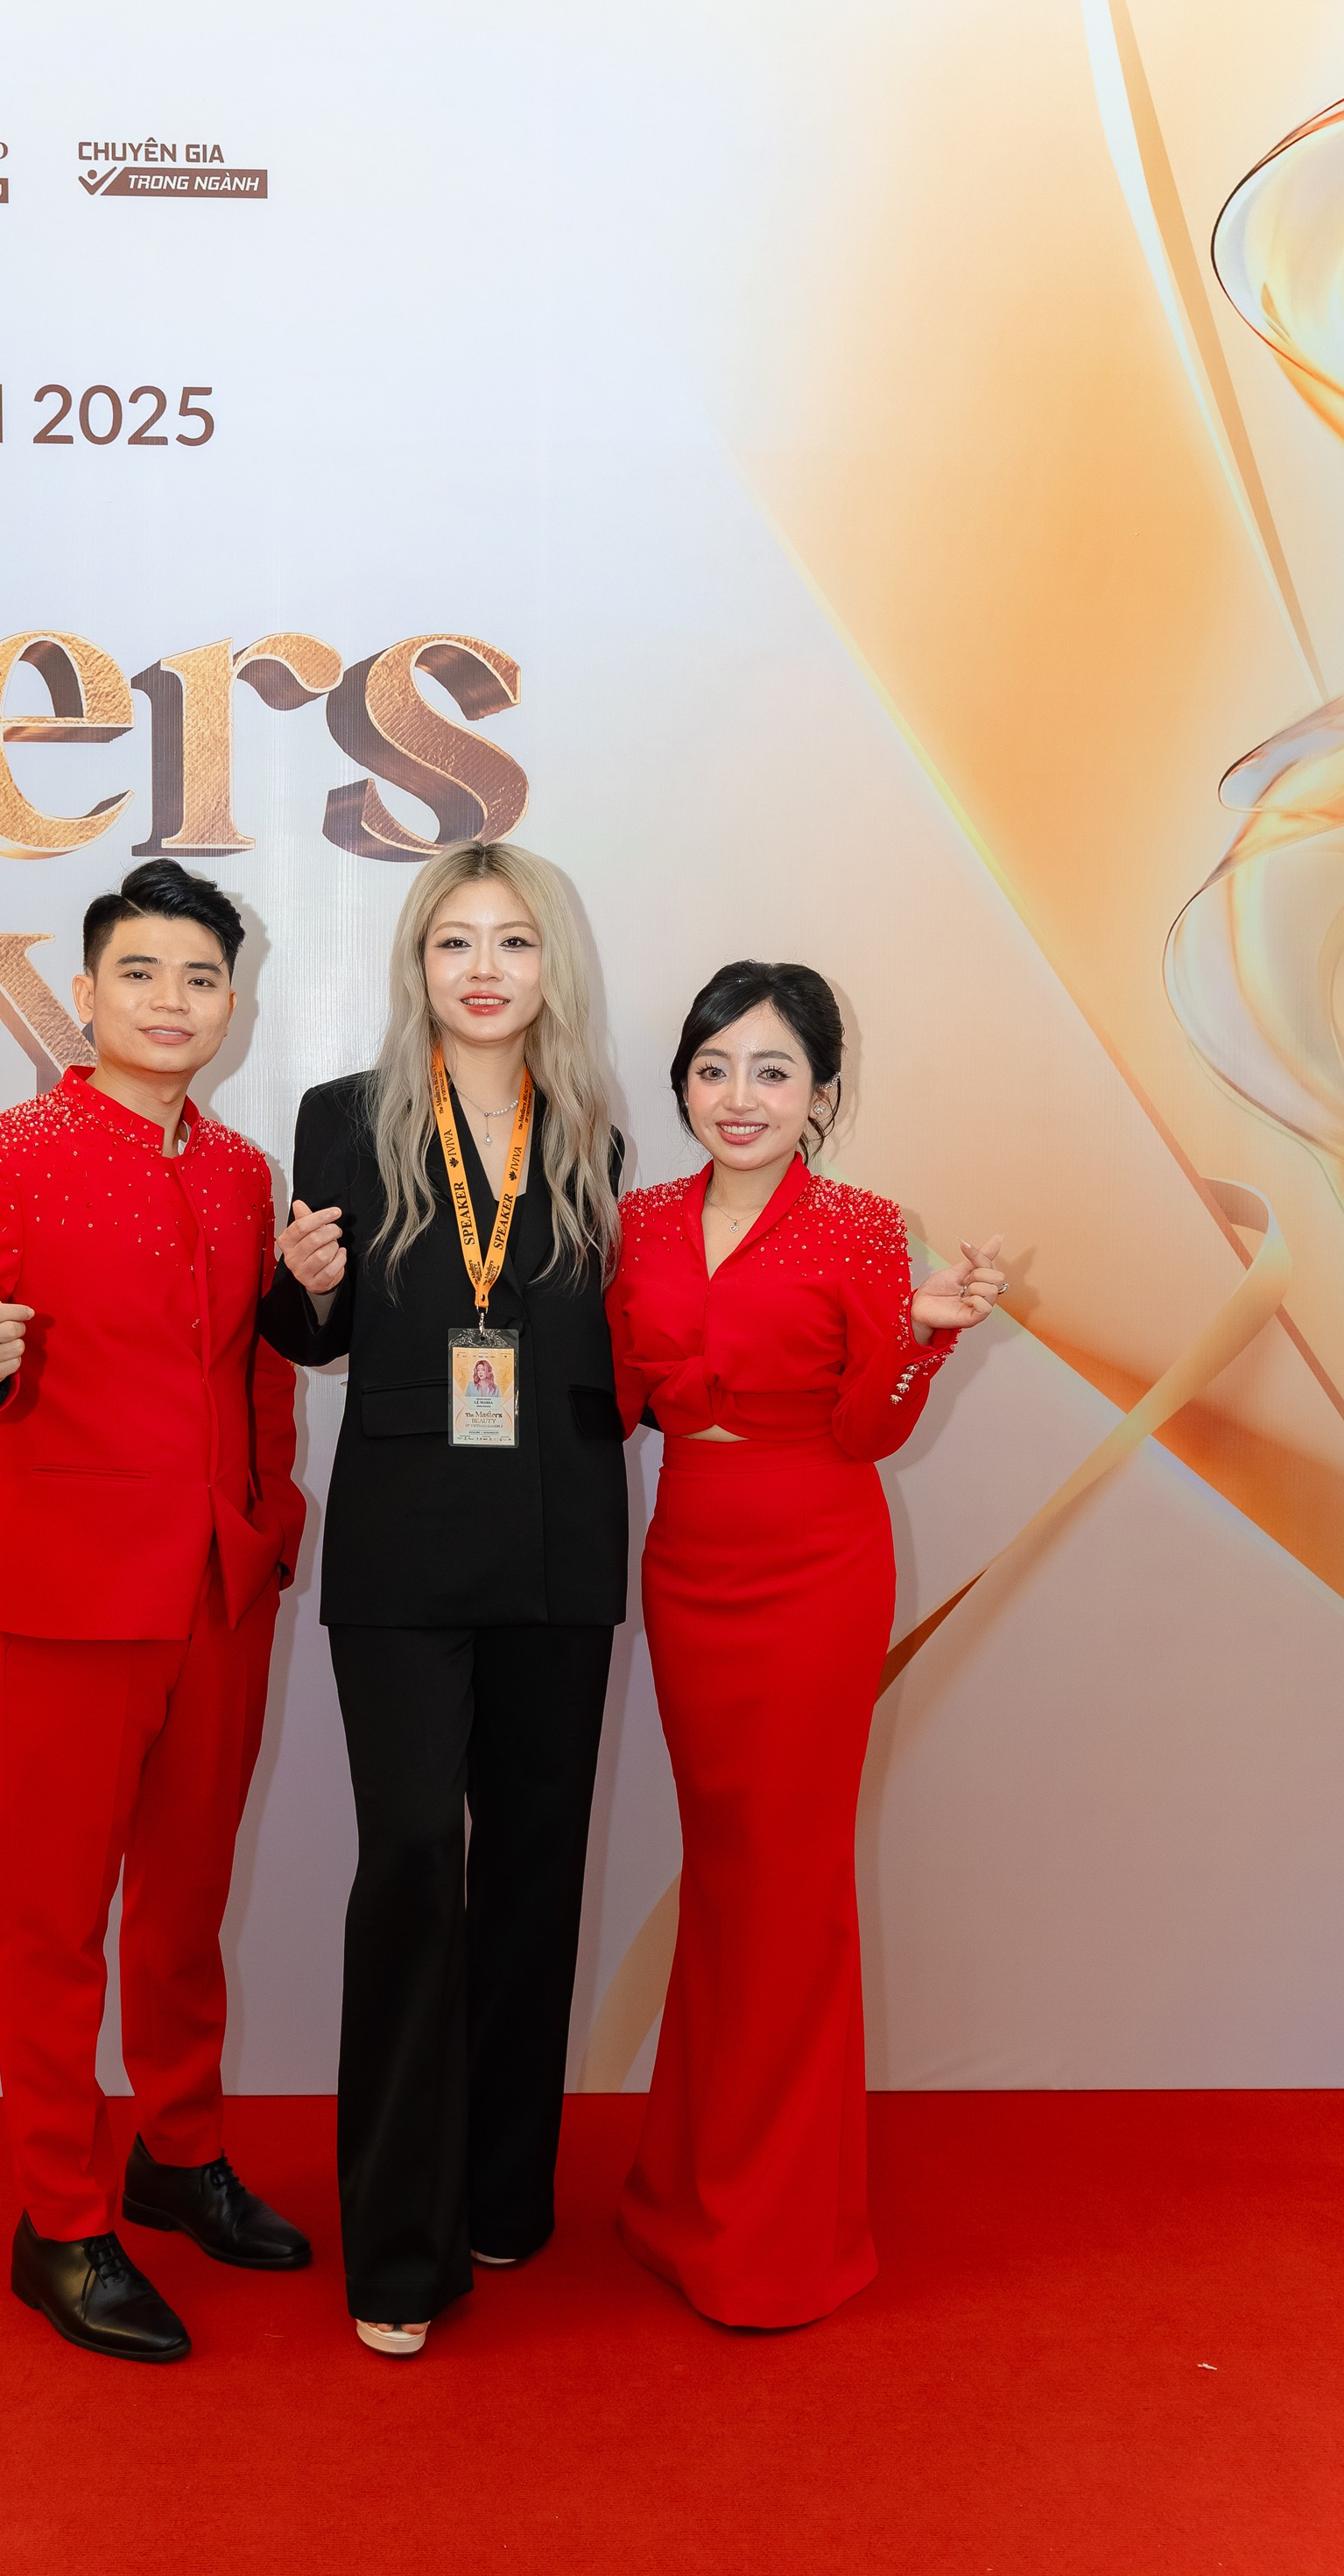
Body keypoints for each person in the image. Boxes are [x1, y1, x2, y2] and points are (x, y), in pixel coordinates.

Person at [0, 859, 310, 2365]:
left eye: (200, 978)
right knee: (55, 1920)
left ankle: (177, 2155)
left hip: (222, 1588)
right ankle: (58, 2220)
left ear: (232, 1003)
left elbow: (258, 1367)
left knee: (187, 1904)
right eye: (140, 973)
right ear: (84, 991)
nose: (171, 1002)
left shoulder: (243, 1171)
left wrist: (270, 1526)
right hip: (73, 1596)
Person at [262, 840, 626, 2356]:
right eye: (454, 941)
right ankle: (399, 2253)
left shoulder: (598, 1135)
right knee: (416, 1860)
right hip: (406, 1544)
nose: (485, 969)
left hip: (560, 1539)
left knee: (537, 1869)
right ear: (416, 963)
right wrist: (307, 1284)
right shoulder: (344, 1118)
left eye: (514, 941)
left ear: (552, 966)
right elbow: (310, 1334)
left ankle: (503, 2191)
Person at [605, 960, 1003, 2328]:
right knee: (725, 1877)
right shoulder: (637, 1223)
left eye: (773, 1071)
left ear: (821, 1093)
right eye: (714, 1068)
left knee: (790, 1885)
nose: (741, 1096)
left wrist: (924, 1339)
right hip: (689, 1561)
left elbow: (867, 1431)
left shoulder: (865, 1229)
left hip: (818, 1564)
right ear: (683, 1084)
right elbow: (613, 1398)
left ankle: (774, 2230)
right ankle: (683, 2193)